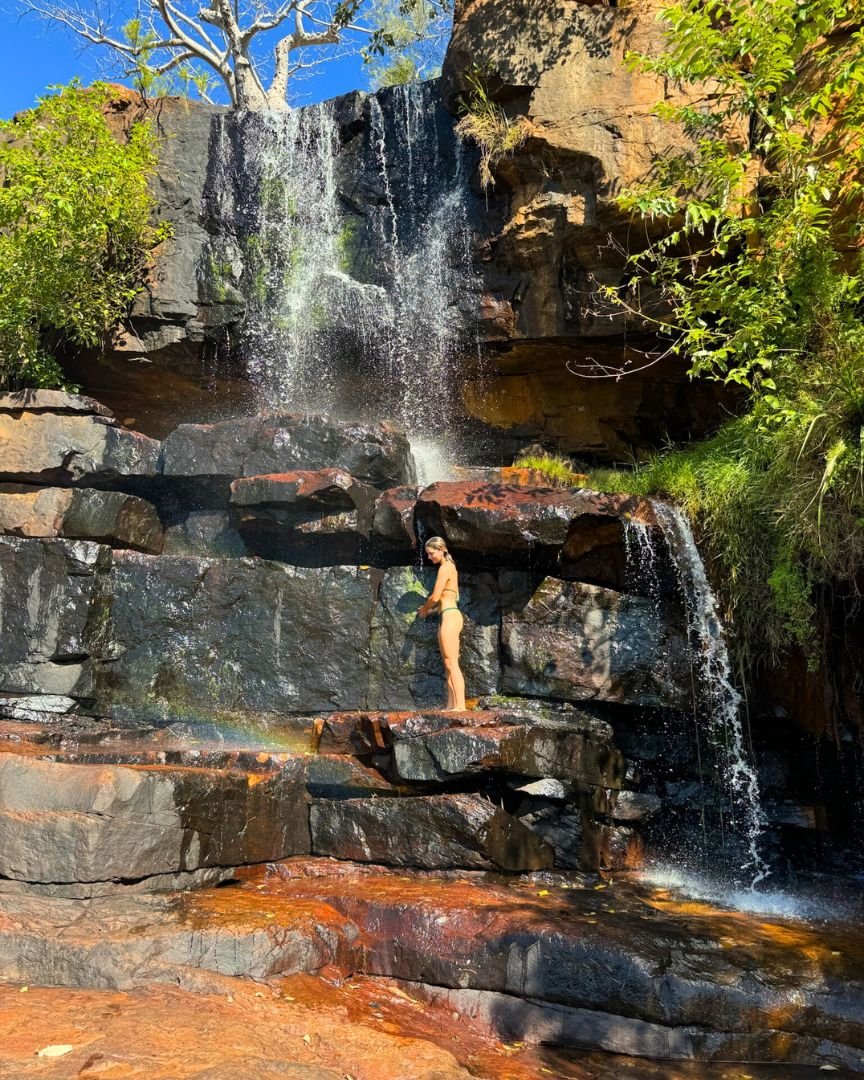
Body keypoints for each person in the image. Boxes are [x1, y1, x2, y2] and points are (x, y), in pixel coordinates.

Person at [417, 536, 466, 711]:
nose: (429, 558)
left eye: (431, 553)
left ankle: (460, 706)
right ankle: (451, 705)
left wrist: (424, 609)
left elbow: (435, 597)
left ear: (441, 550)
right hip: (445, 615)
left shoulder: (446, 567)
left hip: (451, 617)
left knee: (452, 662)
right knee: (447, 663)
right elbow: (444, 601)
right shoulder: (447, 568)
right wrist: (431, 611)